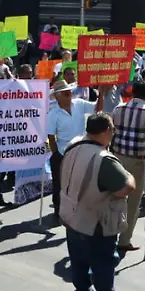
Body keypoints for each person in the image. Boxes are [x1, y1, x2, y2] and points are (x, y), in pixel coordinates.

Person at [59, 113, 137, 291]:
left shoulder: (74, 144)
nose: (113, 134)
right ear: (105, 131)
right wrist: (130, 176)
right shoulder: (103, 159)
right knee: (104, 264)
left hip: (73, 215)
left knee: (79, 261)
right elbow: (124, 188)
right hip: (97, 221)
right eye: (112, 130)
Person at [111, 80, 145, 252]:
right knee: (132, 201)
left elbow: (112, 131)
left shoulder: (118, 108)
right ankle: (124, 240)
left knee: (114, 196)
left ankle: (109, 234)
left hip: (117, 156)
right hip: (137, 159)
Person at [47, 79, 96, 217]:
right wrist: (56, 154)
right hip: (63, 152)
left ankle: (77, 208)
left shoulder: (79, 104)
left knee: (79, 182)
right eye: (66, 93)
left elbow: (97, 108)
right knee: (60, 184)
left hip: (81, 151)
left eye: (69, 92)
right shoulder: (53, 114)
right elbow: (51, 136)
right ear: (58, 97)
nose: (69, 95)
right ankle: (58, 210)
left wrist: (103, 91)